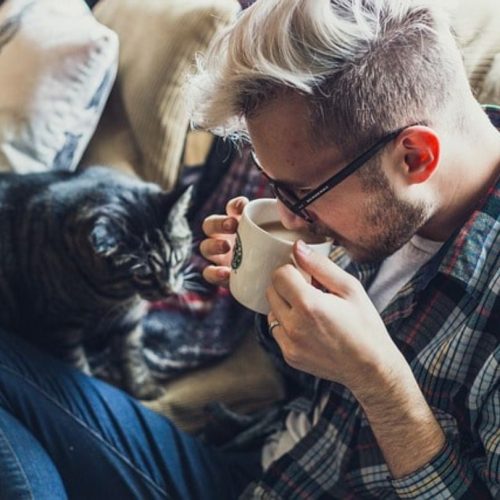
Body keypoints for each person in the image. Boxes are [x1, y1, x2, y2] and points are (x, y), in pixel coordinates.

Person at [0, 0, 498, 498]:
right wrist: (271, 298)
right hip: (256, 472)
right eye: (275, 187)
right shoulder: (385, 200)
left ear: (415, 157)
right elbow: (312, 381)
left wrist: (381, 384)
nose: (286, 218)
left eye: (300, 194)